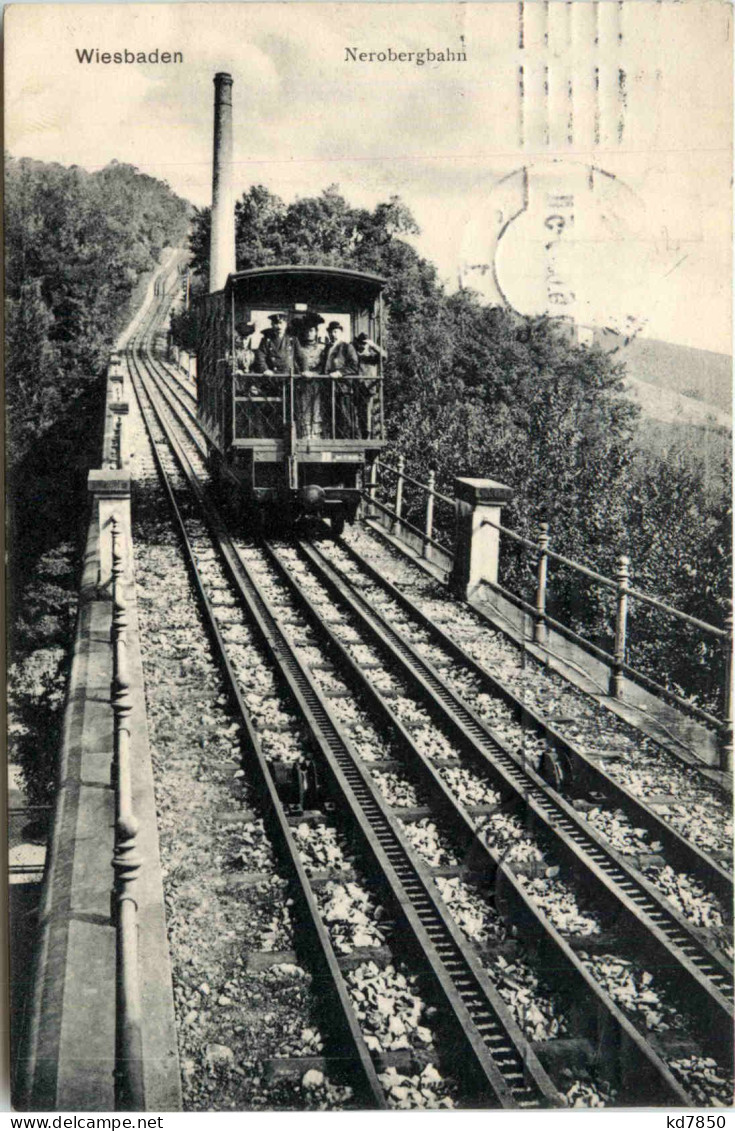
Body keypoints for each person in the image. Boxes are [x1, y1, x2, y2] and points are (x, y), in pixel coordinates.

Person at [293, 313, 326, 436]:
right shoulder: (298, 347)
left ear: (316, 332)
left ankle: (316, 434)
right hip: (302, 383)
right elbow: (294, 362)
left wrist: (316, 373)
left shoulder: (322, 348)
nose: (309, 333)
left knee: (317, 408)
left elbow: (325, 365)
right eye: (306, 330)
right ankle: (304, 433)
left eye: (311, 330)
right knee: (303, 407)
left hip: (318, 383)